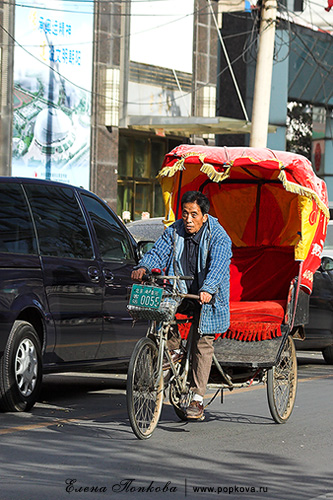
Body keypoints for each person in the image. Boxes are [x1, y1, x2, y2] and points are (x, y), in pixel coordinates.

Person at [131, 191, 232, 420]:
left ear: (204, 216)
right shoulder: (174, 231)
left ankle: (197, 399)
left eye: (194, 214)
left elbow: (218, 265)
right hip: (180, 292)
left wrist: (208, 288)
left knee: (201, 343)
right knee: (163, 315)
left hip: (208, 297)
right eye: (185, 213)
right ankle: (174, 350)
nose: (188, 219)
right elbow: (157, 254)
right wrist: (143, 268)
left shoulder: (218, 236)